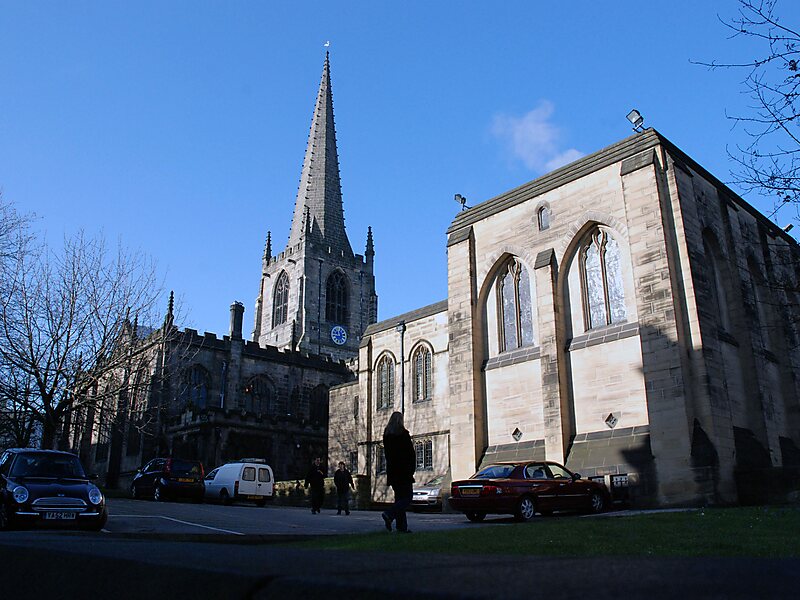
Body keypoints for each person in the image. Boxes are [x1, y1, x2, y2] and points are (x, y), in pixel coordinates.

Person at [381, 411, 416, 533]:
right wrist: (411, 469)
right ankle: (389, 514)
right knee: (407, 497)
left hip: (393, 472)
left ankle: (401, 527)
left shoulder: (387, 435)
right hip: (404, 471)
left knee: (400, 499)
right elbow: (410, 453)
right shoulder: (403, 434)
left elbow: (387, 455)